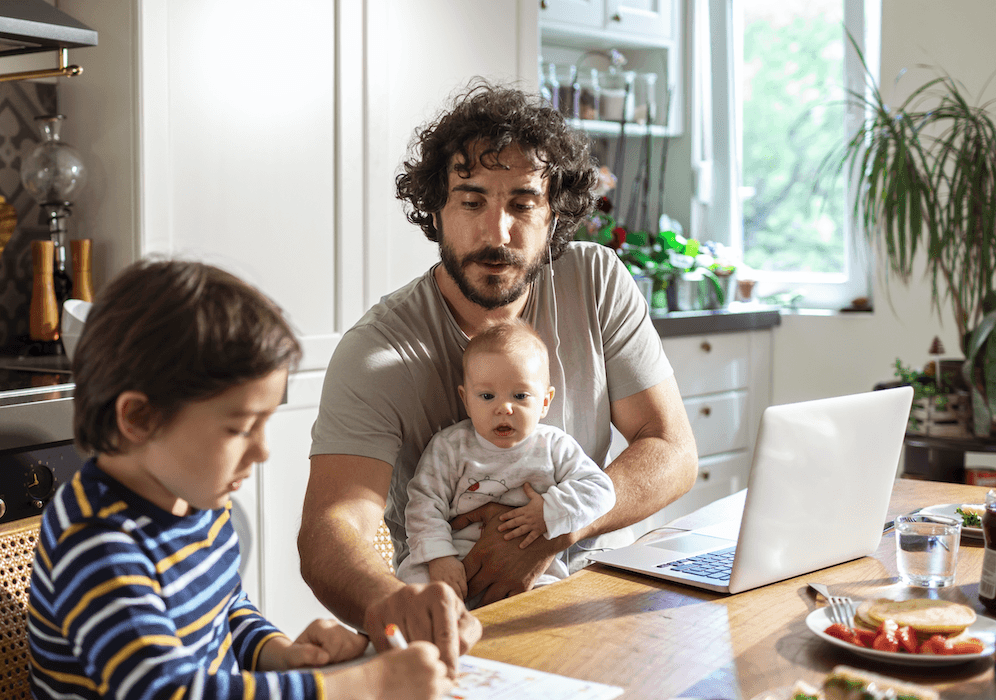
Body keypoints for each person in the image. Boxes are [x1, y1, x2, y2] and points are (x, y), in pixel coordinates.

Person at [298, 82, 699, 672]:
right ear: (435, 209)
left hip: (586, 591)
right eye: (471, 200)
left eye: (522, 203)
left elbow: (672, 449)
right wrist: (400, 604)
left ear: (553, 211)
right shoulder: (377, 351)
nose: (497, 233)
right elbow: (334, 526)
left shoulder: (596, 280)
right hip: (456, 619)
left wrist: (547, 531)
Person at [28, 259, 451, 700]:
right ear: (139, 418)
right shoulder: (99, 544)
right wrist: (358, 686)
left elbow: (226, 608)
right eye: (238, 429)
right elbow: (165, 692)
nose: (262, 450)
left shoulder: (197, 502)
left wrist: (278, 652)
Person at [398, 319, 617, 599]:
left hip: (529, 560)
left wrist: (548, 511)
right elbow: (423, 503)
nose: (504, 408)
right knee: (414, 591)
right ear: (466, 400)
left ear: (545, 401)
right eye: (487, 396)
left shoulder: (554, 446)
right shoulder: (450, 446)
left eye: (520, 395)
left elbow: (600, 489)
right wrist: (440, 557)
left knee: (552, 602)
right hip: (452, 557)